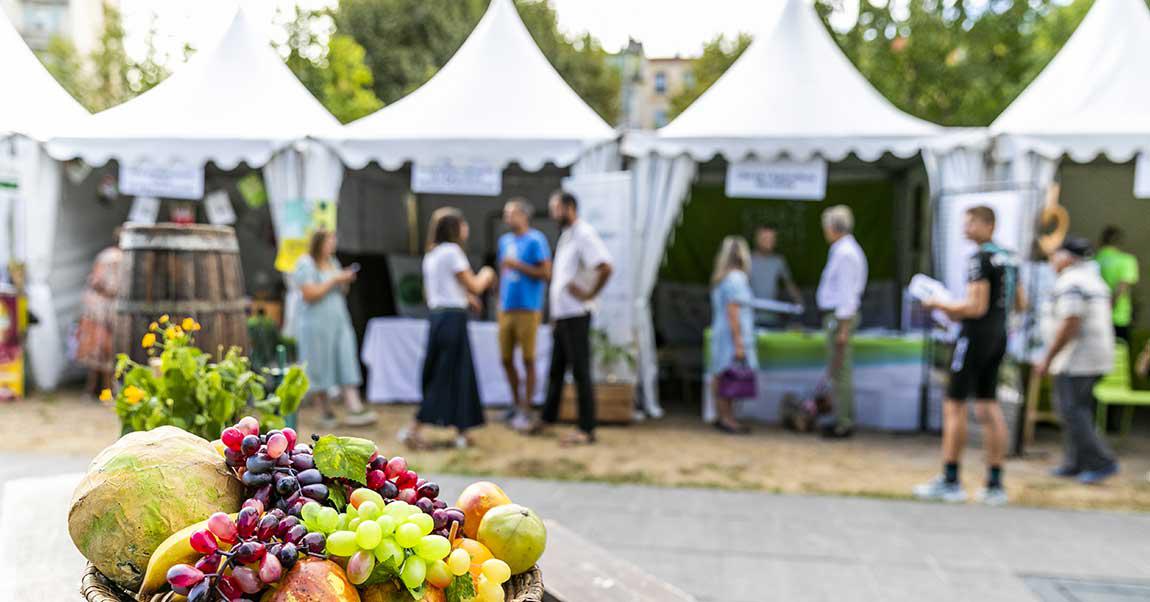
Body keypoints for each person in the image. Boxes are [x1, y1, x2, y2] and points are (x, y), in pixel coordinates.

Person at [915, 206, 1024, 505]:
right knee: (988, 406)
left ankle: (950, 478)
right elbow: (1021, 303)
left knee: (954, 406)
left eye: (970, 223)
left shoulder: (980, 259)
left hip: (975, 336)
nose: (965, 228)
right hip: (999, 334)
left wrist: (940, 305)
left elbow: (975, 307)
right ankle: (994, 482)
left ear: (988, 224)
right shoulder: (1010, 258)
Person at [403, 208, 496, 449]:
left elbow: (440, 290)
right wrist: (487, 274)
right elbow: (475, 285)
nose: (466, 228)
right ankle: (414, 428)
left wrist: (465, 298)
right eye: (463, 224)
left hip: (438, 318)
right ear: (454, 228)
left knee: (452, 372)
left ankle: (461, 430)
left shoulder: (432, 255)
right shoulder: (453, 252)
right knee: (448, 374)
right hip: (453, 320)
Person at [1036, 237, 1119, 485]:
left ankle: (1101, 462)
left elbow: (1071, 322)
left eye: (1054, 256)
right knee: (1076, 410)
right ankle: (1075, 462)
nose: (1051, 262)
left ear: (1066, 257)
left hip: (1078, 358)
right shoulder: (1092, 279)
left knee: (1073, 411)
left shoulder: (1072, 281)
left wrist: (1048, 357)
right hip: (1091, 357)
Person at [537, 191, 613, 446]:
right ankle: (547, 418)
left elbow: (605, 266)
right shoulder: (567, 235)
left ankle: (586, 428)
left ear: (569, 207)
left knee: (580, 371)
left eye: (556, 208)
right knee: (555, 370)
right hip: (563, 316)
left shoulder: (584, 233)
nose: (552, 213)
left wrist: (590, 293)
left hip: (577, 315)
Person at [293, 230, 375, 428]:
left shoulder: (333, 262)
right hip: (316, 324)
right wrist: (335, 279)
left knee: (346, 358)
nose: (332, 245)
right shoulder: (306, 263)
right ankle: (325, 410)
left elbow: (340, 291)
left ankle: (354, 406)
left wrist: (344, 280)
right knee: (319, 364)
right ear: (318, 243)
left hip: (338, 321)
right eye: (329, 241)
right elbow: (309, 293)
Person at [496, 199, 552, 432]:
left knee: (528, 359)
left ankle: (527, 406)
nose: (507, 217)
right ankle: (515, 402)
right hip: (506, 308)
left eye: (512, 213)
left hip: (529, 308)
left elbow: (546, 273)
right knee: (506, 359)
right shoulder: (504, 241)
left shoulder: (536, 239)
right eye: (506, 213)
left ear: (524, 215)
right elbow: (503, 271)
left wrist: (518, 266)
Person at [815, 205, 868, 438]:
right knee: (838, 370)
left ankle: (843, 422)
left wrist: (843, 328)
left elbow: (847, 294)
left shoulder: (845, 253)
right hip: (838, 317)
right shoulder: (842, 250)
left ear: (832, 227)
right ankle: (841, 417)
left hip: (840, 318)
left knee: (841, 371)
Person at [709, 236, 758, 434]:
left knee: (720, 375)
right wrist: (739, 342)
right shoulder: (737, 278)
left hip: (721, 333)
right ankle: (729, 419)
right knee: (730, 376)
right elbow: (733, 311)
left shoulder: (721, 278)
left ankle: (722, 416)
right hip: (731, 334)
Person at [75, 229, 122, 399]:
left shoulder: (109, 255)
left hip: (101, 306)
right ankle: (103, 390)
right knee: (104, 350)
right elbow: (99, 281)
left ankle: (96, 390)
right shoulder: (114, 257)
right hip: (102, 307)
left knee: (101, 351)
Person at [749, 225, 803, 326]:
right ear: (757, 239)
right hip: (750, 317)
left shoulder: (778, 261)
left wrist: (800, 303)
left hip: (772, 317)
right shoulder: (747, 260)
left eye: (772, 239)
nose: (769, 242)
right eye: (765, 238)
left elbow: (789, 284)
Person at [1095, 226, 1139, 342]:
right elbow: (1122, 287)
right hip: (1119, 316)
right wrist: (1108, 308)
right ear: (1119, 241)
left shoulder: (1094, 260)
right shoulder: (1127, 260)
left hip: (1095, 315)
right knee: (1119, 354)